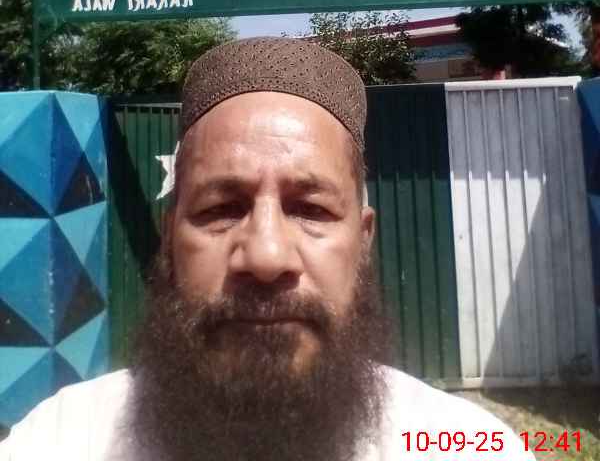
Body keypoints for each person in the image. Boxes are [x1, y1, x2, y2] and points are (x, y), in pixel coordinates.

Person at [1, 38, 533, 461]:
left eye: (311, 209)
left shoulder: (461, 444)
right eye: (220, 209)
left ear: (363, 242)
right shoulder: (62, 440)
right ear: (169, 242)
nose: (266, 256)